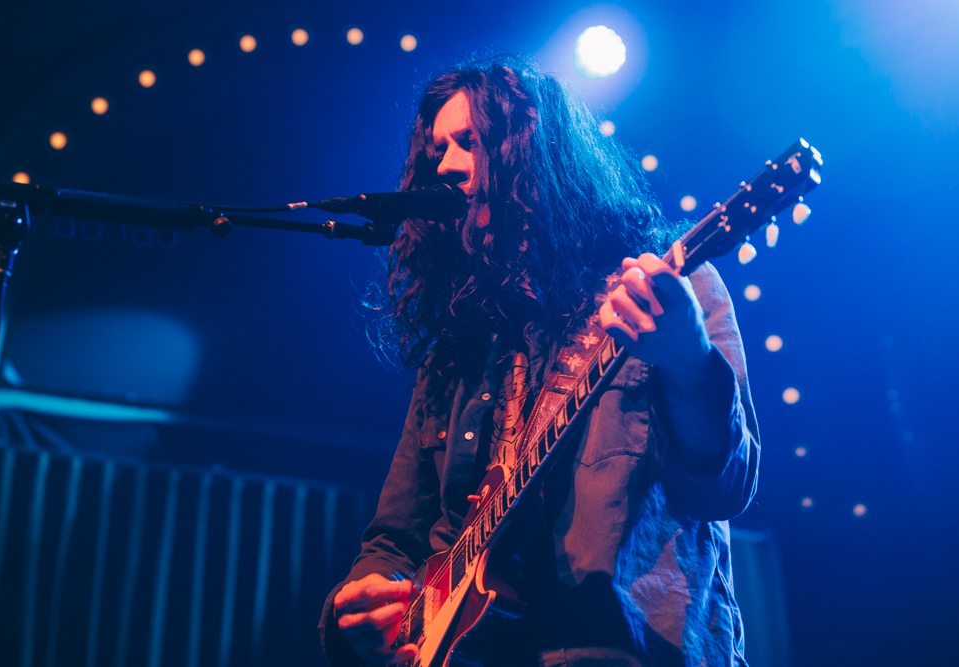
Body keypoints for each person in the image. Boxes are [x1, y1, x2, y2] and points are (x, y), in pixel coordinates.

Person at [320, 55, 759, 667]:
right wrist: (360, 604)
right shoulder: (459, 341)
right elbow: (396, 536)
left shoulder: (662, 290)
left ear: (533, 154)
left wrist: (687, 359)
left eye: (470, 142)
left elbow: (725, 489)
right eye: (437, 150)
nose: (444, 166)